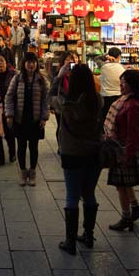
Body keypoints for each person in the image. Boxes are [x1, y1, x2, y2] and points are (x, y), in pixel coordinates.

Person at [51, 64, 103, 255]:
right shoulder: (97, 100)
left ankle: (70, 241)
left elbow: (50, 97)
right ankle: (88, 235)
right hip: (93, 152)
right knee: (89, 193)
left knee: (72, 195)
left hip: (72, 153)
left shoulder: (65, 103)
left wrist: (58, 76)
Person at [106, 70, 139, 232]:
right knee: (124, 183)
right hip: (121, 147)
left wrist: (127, 156)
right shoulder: (126, 101)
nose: (120, 84)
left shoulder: (133, 105)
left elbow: (133, 134)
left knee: (121, 184)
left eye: (123, 82)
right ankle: (135, 208)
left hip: (126, 149)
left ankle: (126, 217)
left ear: (132, 84)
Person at [5, 53, 49, 186]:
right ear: (24, 64)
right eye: (29, 62)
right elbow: (9, 96)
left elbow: (46, 100)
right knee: (22, 147)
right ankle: (23, 172)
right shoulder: (17, 78)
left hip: (35, 120)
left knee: (34, 147)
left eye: (33, 62)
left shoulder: (42, 80)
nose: (31, 65)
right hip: (20, 119)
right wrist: (10, 114)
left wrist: (44, 117)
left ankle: (33, 172)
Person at [99, 47, 124, 120]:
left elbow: (96, 58)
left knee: (105, 117)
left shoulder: (103, 66)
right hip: (118, 97)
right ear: (119, 56)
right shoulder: (122, 68)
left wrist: (106, 56)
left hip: (105, 97)